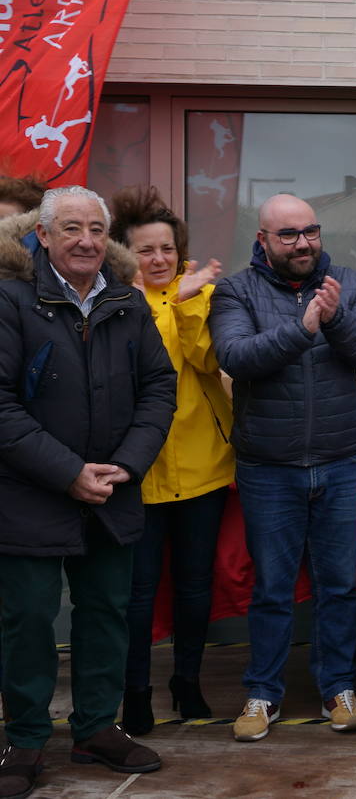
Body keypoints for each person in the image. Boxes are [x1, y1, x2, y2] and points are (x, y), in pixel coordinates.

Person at [0, 186, 176, 796]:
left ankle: (97, 728)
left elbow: (159, 387)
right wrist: (67, 471)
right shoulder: (9, 297)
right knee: (27, 619)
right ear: (42, 235)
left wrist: (125, 465)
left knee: (107, 613)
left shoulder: (128, 300)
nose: (86, 241)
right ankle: (25, 739)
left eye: (97, 229)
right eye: (71, 228)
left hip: (112, 492)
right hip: (30, 493)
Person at [210, 194, 356, 742]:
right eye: (288, 234)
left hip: (342, 461)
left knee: (337, 586)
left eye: (310, 231)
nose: (303, 242)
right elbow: (235, 358)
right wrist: (302, 329)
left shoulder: (352, 284)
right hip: (270, 467)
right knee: (272, 589)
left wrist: (332, 322)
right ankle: (263, 694)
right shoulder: (236, 290)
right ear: (262, 240)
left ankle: (338, 688)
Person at [109, 186, 233, 734]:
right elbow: (138, 362)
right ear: (126, 255)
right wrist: (176, 298)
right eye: (145, 250)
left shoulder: (199, 295)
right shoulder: (113, 299)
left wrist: (185, 302)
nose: (158, 260)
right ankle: (135, 689)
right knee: (136, 592)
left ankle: (188, 679)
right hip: (138, 469)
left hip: (204, 462)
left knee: (194, 584)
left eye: (166, 249)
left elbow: (208, 357)